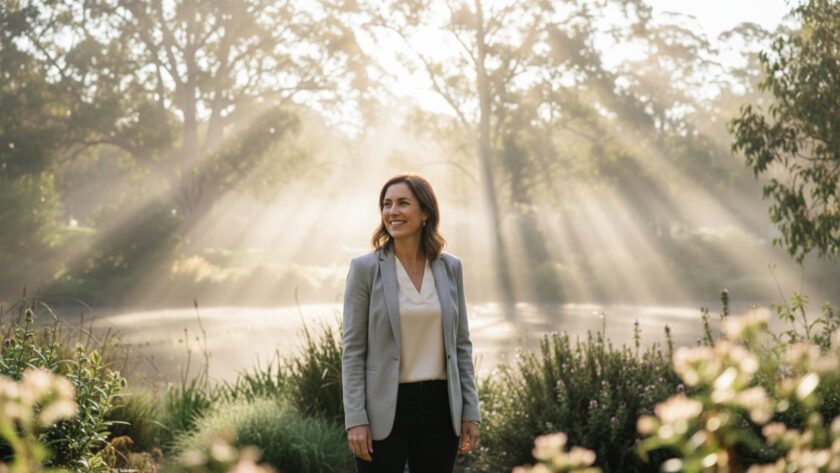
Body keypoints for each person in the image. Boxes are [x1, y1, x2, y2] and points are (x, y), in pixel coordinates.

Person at [342, 173, 481, 473]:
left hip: (441, 409)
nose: (392, 211)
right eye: (387, 204)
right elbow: (353, 352)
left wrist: (471, 410)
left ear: (426, 213)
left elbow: (461, 345)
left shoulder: (450, 268)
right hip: (383, 409)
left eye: (403, 203)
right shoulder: (364, 269)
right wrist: (356, 419)